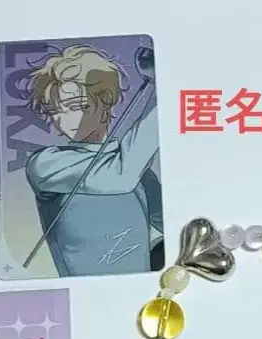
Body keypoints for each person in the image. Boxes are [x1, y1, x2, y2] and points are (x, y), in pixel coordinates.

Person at [24, 44, 163, 277]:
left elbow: (165, 224)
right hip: (85, 292)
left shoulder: (135, 166)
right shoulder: (45, 165)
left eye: (76, 106)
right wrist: (163, 90)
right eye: (54, 111)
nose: (63, 120)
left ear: (106, 100)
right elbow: (120, 175)